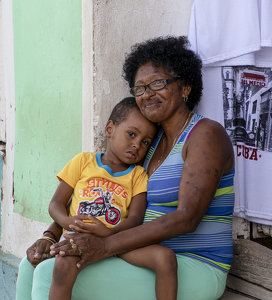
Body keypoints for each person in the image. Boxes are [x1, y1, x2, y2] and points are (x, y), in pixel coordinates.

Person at [16, 36, 235, 300]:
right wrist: (50, 235)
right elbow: (96, 196)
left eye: (157, 83)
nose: (147, 94)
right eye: (139, 88)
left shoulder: (206, 134)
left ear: (186, 87)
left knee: (49, 272)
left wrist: (105, 245)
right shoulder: (149, 145)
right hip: (138, 254)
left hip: (192, 264)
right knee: (31, 265)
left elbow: (187, 218)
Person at [45, 96, 179, 300]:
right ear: (110, 129)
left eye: (145, 142)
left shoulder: (138, 175)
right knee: (63, 264)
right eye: (131, 134)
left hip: (117, 242)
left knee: (166, 257)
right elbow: (56, 203)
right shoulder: (83, 162)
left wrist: (109, 233)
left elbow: (135, 218)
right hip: (79, 239)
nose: (136, 145)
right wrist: (66, 221)